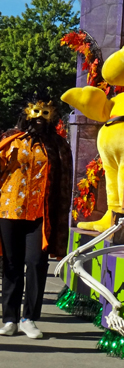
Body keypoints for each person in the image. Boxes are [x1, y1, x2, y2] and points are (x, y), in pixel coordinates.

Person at [0, 96, 72, 339]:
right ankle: (9, 318)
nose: (39, 118)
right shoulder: (11, 140)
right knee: (11, 264)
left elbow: (63, 182)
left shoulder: (57, 145)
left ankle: (28, 318)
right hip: (9, 210)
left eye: (45, 113)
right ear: (26, 113)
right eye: (35, 112)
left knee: (35, 263)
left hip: (41, 215)